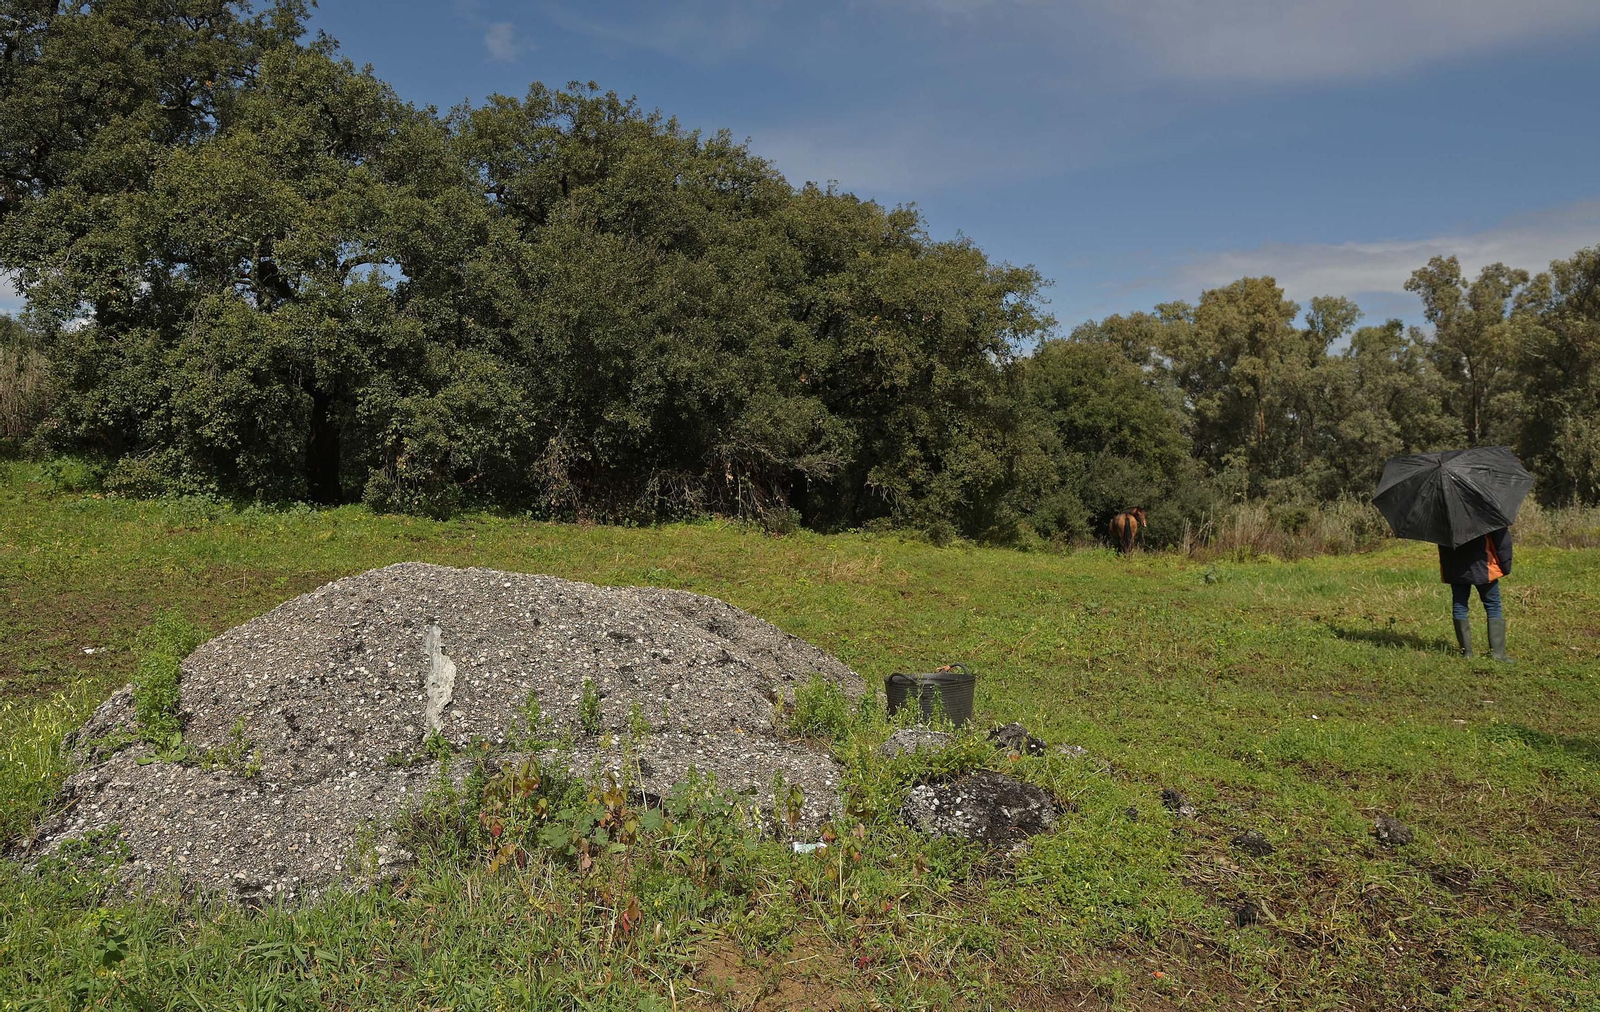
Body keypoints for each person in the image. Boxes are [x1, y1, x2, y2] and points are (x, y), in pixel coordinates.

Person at [1438, 527, 1513, 662]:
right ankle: (1498, 654)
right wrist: (1505, 567)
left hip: (1455, 569)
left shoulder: (1442, 516)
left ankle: (1466, 653)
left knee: (1459, 606)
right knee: (1493, 605)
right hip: (1483, 567)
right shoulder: (1484, 511)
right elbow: (1502, 542)